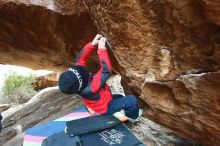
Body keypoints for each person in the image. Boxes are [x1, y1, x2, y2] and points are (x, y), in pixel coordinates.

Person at [59, 34, 142, 122]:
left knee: (120, 96)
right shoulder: (91, 88)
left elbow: (80, 59)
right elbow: (106, 70)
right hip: (106, 108)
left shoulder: (78, 79)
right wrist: (101, 49)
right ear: (82, 81)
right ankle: (133, 117)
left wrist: (91, 44)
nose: (81, 68)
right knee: (131, 100)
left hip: (106, 98)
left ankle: (120, 110)